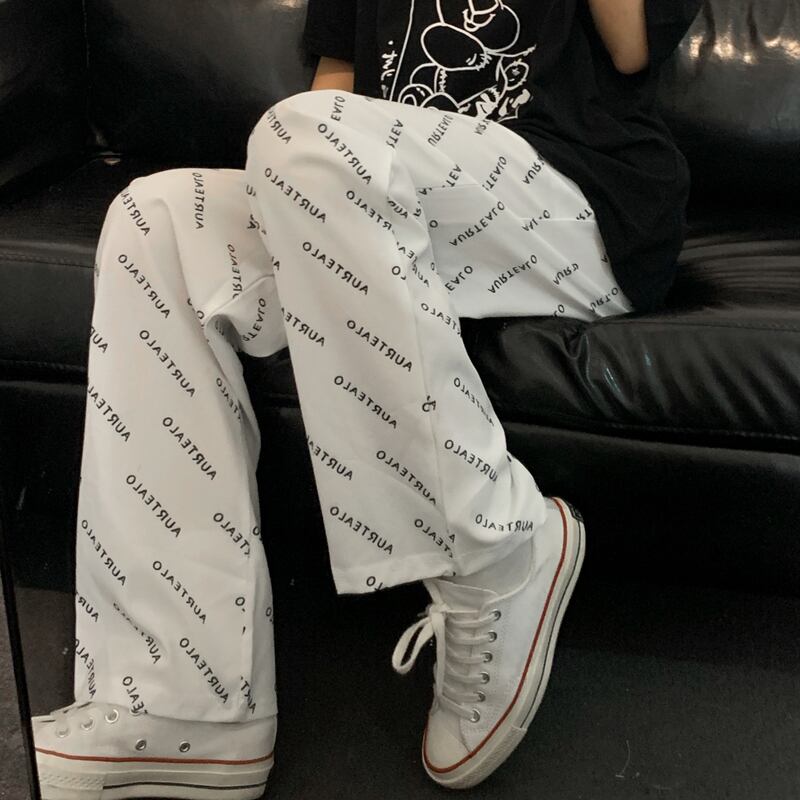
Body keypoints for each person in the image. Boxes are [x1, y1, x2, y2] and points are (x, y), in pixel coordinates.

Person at [30, 0, 702, 797]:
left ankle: (494, 555)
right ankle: (184, 701)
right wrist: (308, 214)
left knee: (308, 137)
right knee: (160, 221)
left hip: (575, 200)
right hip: (387, 196)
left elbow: (632, 44)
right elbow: (332, 99)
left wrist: (317, 151)